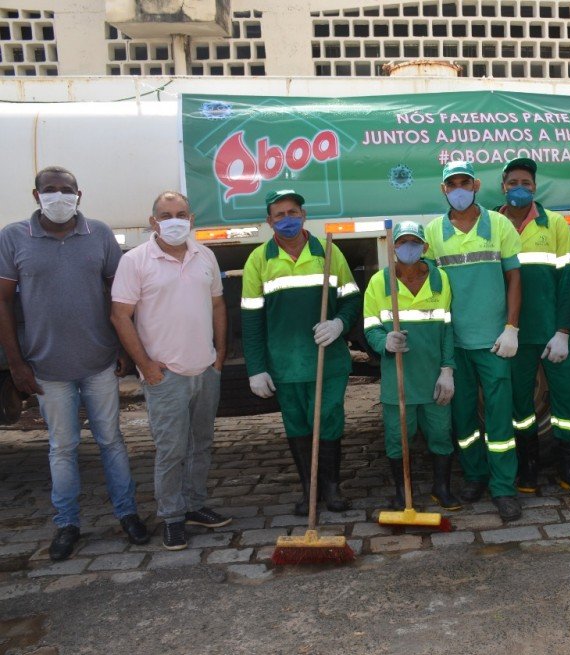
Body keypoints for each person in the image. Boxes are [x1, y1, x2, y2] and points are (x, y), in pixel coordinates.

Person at [0, 166, 148, 561]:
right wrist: (16, 364)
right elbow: (2, 300)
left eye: (67, 190)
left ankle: (128, 514)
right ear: (36, 196)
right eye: (50, 190)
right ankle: (67, 523)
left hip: (99, 361)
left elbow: (119, 295)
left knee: (112, 441)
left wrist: (122, 347)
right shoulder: (14, 237)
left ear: (79, 195)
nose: (59, 197)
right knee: (61, 448)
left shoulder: (98, 233)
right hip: (46, 368)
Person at [110, 191, 232, 551]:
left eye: (181, 213)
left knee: (202, 445)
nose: (174, 220)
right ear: (153, 222)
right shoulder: (135, 261)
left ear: (191, 219)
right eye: (166, 214)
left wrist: (219, 355)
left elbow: (218, 304)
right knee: (171, 450)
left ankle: (194, 505)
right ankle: (172, 517)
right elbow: (120, 315)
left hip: (205, 370)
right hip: (166, 376)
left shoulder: (204, 255)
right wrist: (145, 365)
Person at [241, 189, 361, 516]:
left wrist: (339, 322)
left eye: (293, 212)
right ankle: (309, 490)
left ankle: (332, 487)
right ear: (269, 221)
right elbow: (251, 320)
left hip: (328, 360)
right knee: (296, 425)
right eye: (279, 215)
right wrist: (256, 367)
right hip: (285, 362)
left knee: (328, 419)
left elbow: (352, 299)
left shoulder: (329, 252)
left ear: (304, 215)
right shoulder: (258, 261)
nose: (287, 220)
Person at [424, 161, 523, 522]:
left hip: (495, 341)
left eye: (466, 182)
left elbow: (514, 277)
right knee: (462, 417)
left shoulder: (499, 224)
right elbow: (431, 289)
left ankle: (503, 488)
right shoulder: (432, 232)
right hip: (454, 345)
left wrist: (511, 327)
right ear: (444, 190)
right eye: (453, 184)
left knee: (499, 419)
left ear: (477, 185)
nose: (460, 189)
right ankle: (475, 475)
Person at [497, 158, 570, 500]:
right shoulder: (492, 223)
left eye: (526, 182)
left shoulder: (554, 224)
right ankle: (528, 468)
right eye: (512, 182)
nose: (519, 187)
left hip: (552, 331)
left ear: (535, 187)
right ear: (503, 186)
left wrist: (564, 330)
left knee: (568, 402)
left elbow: (566, 280)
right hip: (514, 334)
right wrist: (506, 329)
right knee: (520, 404)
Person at [362, 221, 460, 511]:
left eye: (414, 242)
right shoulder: (380, 282)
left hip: (433, 376)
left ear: (425, 247)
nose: (408, 248)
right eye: (402, 243)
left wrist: (448, 369)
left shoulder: (440, 279)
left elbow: (448, 328)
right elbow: (370, 327)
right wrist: (384, 342)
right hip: (398, 379)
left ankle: (441, 488)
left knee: (441, 435)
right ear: (393, 247)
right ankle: (401, 492)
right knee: (397, 438)